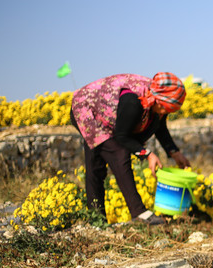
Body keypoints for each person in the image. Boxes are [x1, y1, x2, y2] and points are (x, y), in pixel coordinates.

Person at [70, 72, 191, 225]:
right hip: (86, 109)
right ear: (160, 102)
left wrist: (174, 152)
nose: (167, 113)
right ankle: (138, 213)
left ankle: (96, 221)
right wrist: (147, 154)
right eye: (168, 109)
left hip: (109, 115)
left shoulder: (157, 98)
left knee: (97, 166)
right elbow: (122, 136)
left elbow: (160, 126)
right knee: (117, 155)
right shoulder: (133, 102)